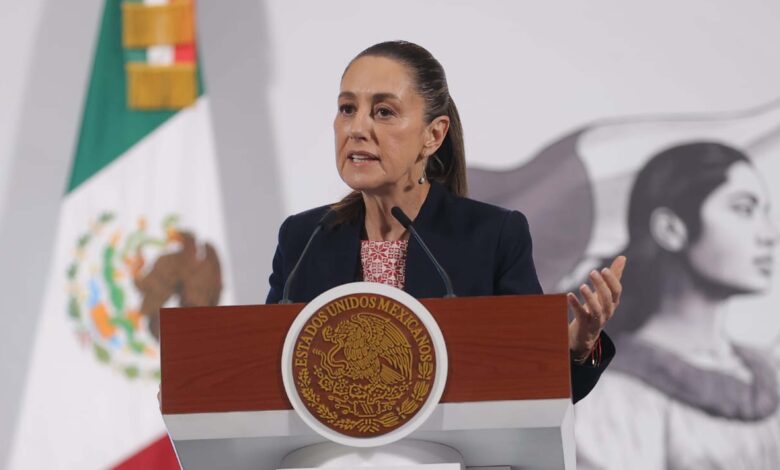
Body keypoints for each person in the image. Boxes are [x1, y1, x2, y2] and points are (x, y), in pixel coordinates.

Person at [266, 40, 625, 403]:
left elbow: (536, 385)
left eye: (384, 112)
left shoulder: (491, 237)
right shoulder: (303, 238)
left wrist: (580, 348)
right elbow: (263, 370)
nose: (356, 128)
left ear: (433, 135)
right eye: (347, 108)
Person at [574, 142, 780, 469]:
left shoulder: (769, 370)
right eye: (743, 209)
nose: (769, 235)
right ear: (671, 229)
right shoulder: (615, 393)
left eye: (765, 211)